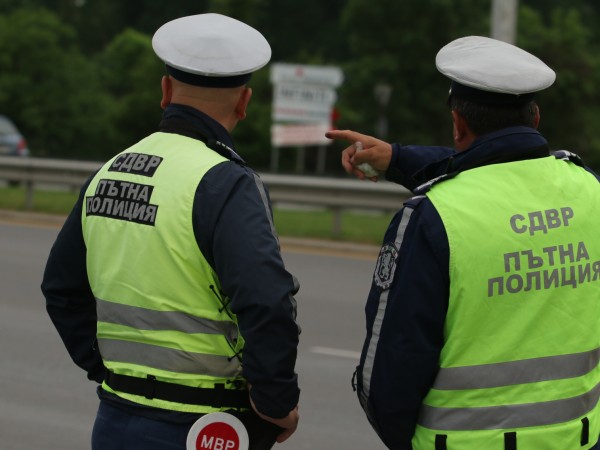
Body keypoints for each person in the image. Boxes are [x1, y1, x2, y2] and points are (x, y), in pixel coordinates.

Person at [327, 36, 600, 449]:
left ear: (457, 124)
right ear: (536, 116)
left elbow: (390, 373)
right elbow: (497, 164)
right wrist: (399, 158)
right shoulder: (589, 190)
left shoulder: (431, 217)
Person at [41, 13, 300, 450]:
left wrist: (107, 369)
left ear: (165, 91)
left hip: (116, 418)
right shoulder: (225, 182)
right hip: (203, 428)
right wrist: (276, 403)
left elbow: (61, 289)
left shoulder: (108, 172)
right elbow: (266, 301)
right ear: (244, 102)